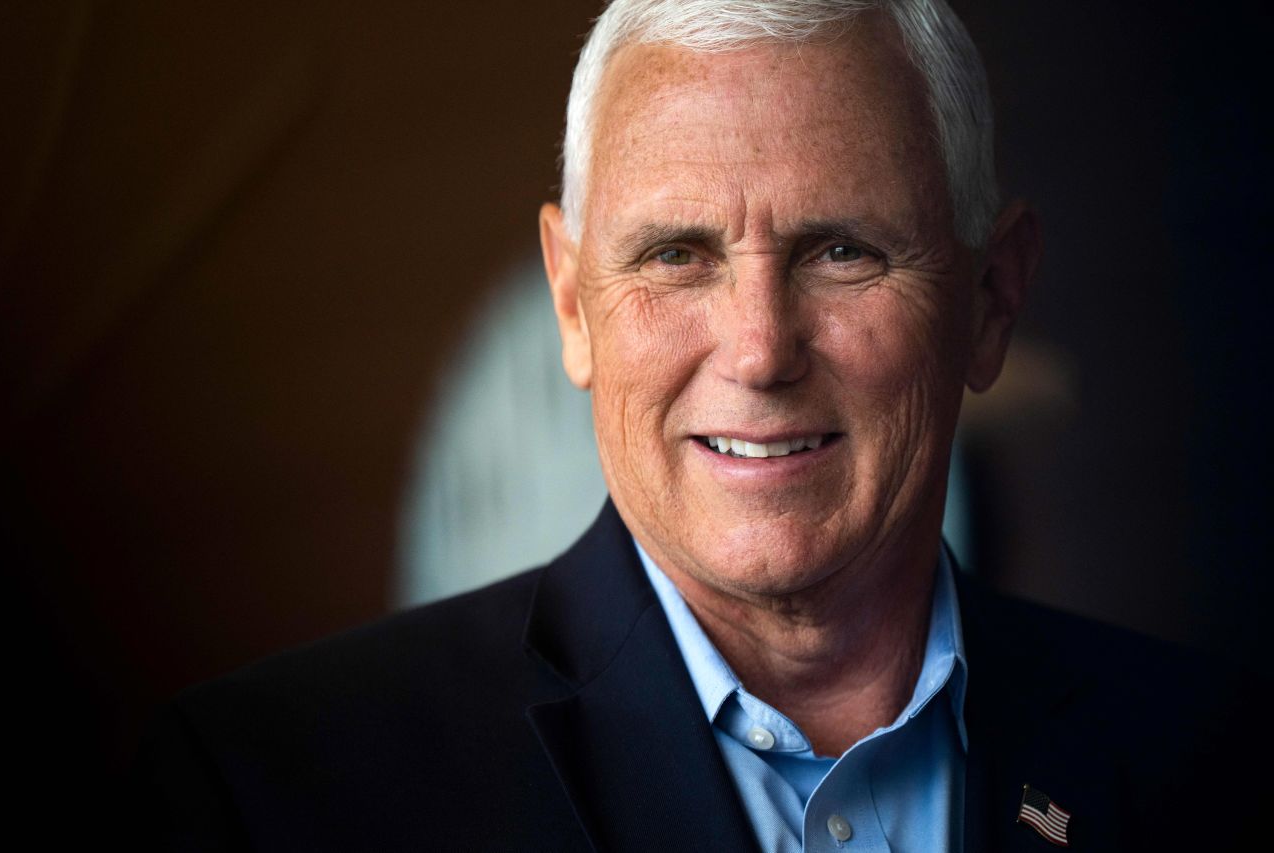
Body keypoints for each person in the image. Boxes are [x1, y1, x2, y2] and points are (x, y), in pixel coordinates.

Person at [137, 1, 1261, 850]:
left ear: (988, 302)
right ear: (572, 305)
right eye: (675, 256)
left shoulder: (1216, 766)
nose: (760, 349)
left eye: (839, 250)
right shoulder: (267, 799)